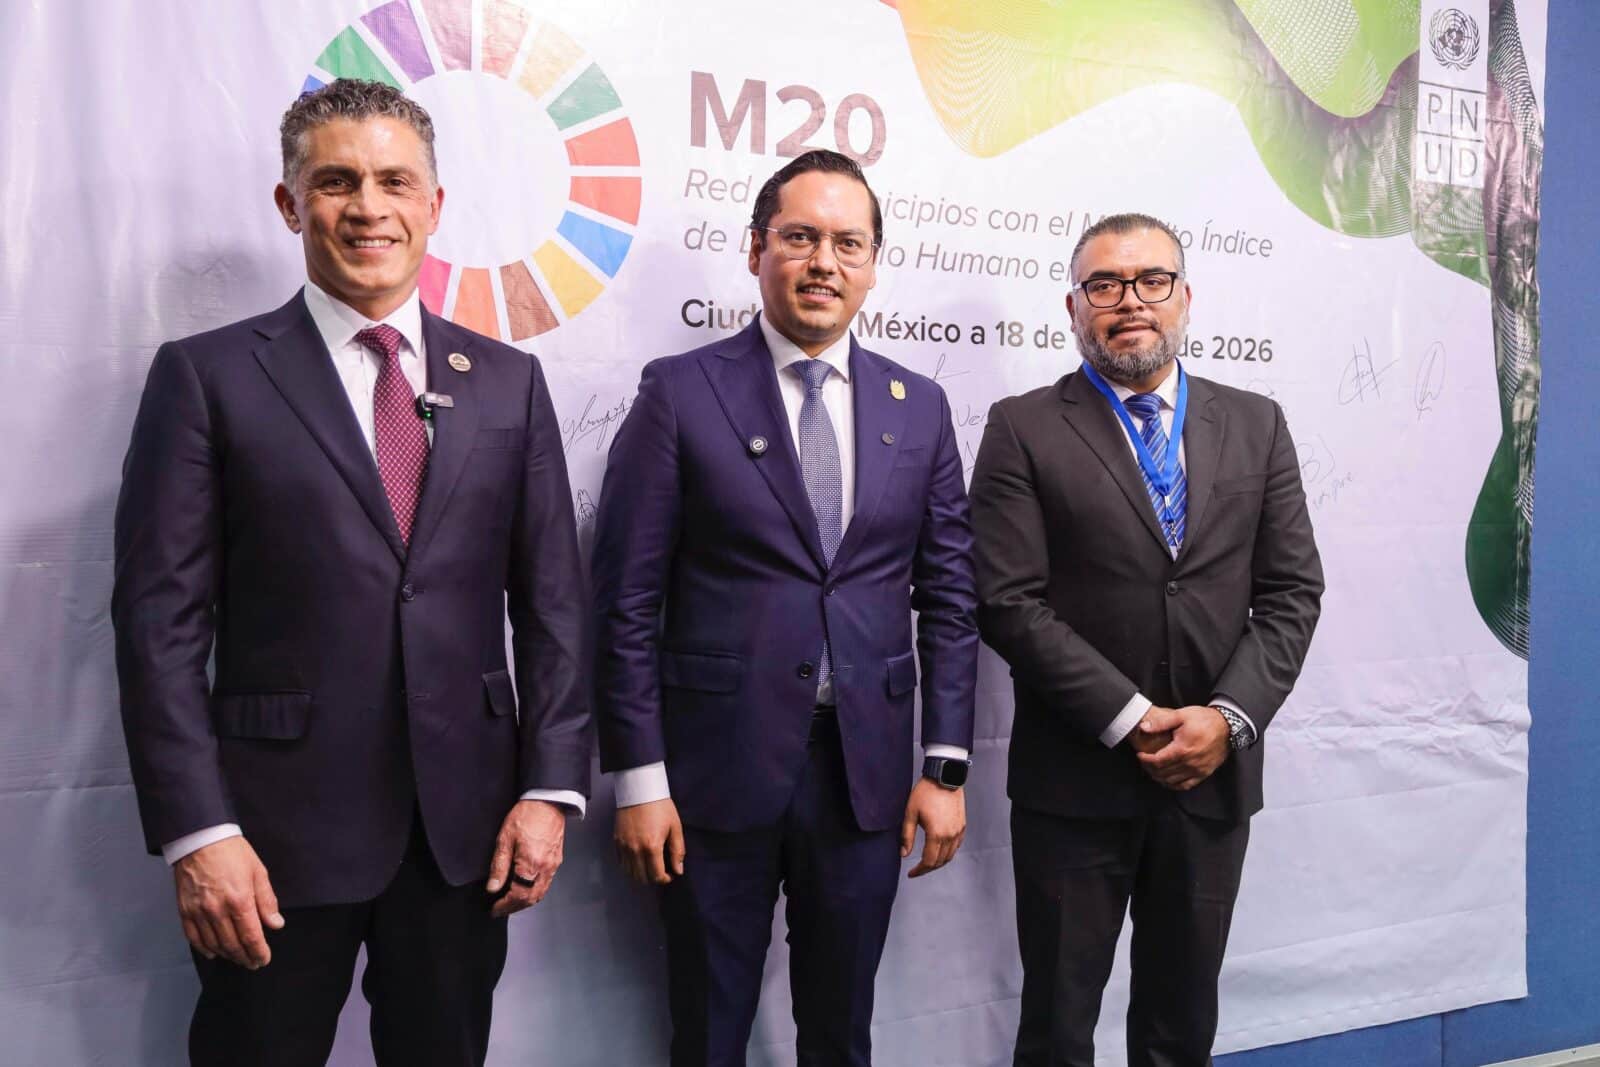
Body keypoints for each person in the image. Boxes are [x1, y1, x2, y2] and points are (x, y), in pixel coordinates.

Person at [110, 79, 589, 1066]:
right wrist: (198, 830)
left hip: (463, 837)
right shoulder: (207, 377)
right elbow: (160, 623)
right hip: (268, 841)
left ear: (434, 205)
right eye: (336, 182)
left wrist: (550, 788)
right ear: (291, 205)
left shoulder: (509, 383)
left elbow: (553, 607)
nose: (368, 206)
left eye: (394, 181)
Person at [590, 149, 979, 1066]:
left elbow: (951, 599)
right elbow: (624, 601)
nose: (823, 262)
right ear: (756, 248)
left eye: (848, 243)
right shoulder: (680, 392)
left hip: (863, 777)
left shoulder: (921, 407)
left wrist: (946, 766)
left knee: (841, 1032)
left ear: (873, 263)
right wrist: (639, 778)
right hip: (711, 776)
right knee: (708, 1030)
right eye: (799, 237)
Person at [969, 213, 1324, 1066]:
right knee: (1057, 1030)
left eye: (1151, 280)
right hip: (1074, 787)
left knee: (1180, 1029)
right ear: (1074, 307)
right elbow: (1007, 600)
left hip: (1210, 781)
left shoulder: (1257, 423)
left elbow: (1291, 593)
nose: (1129, 300)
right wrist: (1132, 717)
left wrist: (1227, 719)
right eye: (1104, 284)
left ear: (1184, 297)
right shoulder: (1022, 426)